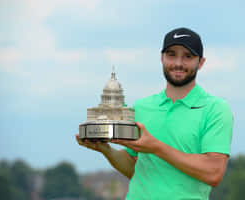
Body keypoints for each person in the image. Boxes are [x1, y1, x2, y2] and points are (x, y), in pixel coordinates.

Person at [76, 27, 233, 200]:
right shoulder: (142, 107)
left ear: (201, 62)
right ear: (162, 58)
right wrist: (105, 149)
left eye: (187, 56)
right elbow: (135, 168)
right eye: (172, 54)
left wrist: (156, 147)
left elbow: (213, 173)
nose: (178, 63)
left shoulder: (215, 109)